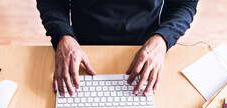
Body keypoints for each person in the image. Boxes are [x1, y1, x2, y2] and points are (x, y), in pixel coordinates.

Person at [36, 0, 198, 97]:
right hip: (82, 51)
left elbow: (184, 4)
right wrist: (63, 36)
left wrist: (163, 38)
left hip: (148, 52)